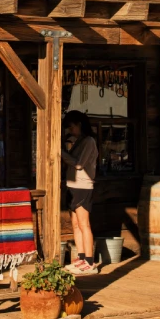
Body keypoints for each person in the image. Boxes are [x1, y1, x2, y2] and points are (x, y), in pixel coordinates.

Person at [61, 110, 98, 275]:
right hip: (72, 184)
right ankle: (81, 257)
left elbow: (79, 165)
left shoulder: (89, 141)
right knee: (75, 224)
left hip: (83, 186)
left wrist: (60, 153)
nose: (70, 131)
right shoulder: (79, 141)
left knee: (84, 224)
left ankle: (90, 262)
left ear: (79, 125)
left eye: (71, 127)